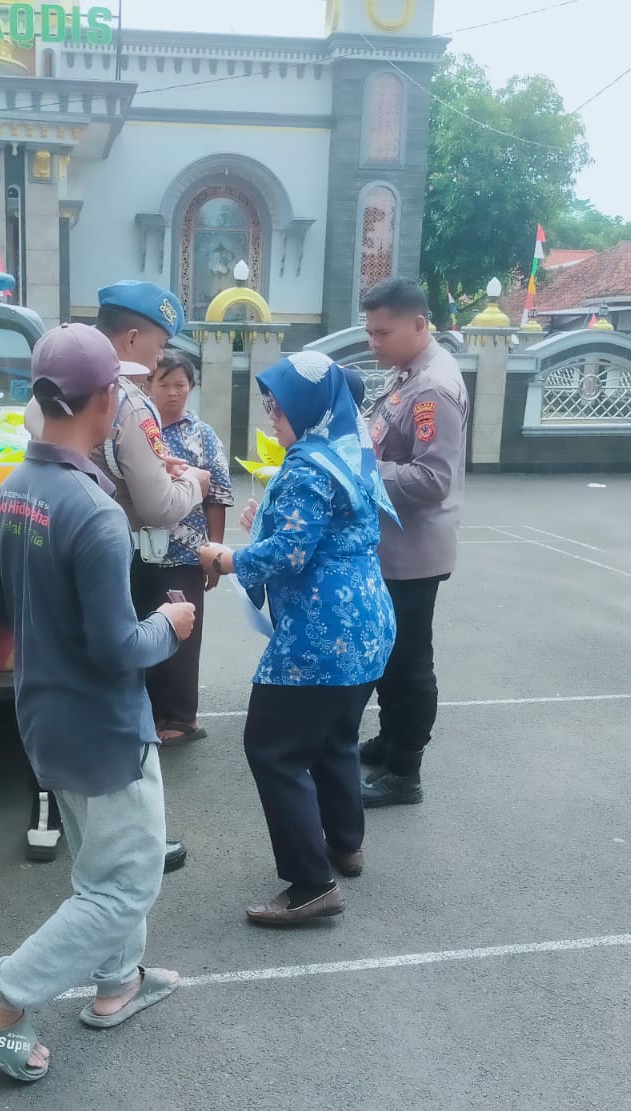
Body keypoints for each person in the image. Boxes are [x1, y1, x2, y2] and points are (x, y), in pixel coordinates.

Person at [0, 323, 194, 1082]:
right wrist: (171, 625)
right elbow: (119, 647)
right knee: (125, 885)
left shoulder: (14, 489)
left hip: (45, 717)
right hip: (106, 728)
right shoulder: (95, 512)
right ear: (106, 399)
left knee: (100, 866)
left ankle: (118, 984)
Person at [197, 351, 397, 927]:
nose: (272, 414)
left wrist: (225, 558)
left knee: (274, 749)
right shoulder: (347, 451)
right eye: (268, 403)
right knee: (335, 737)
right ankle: (345, 843)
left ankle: (311, 885)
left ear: (309, 404)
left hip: (321, 635)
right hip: (366, 626)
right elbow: (325, 529)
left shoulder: (310, 466)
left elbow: (288, 554)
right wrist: (266, 521)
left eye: (279, 404)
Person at [25, 281, 208, 872]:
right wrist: (193, 483)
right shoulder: (125, 397)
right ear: (131, 338)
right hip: (107, 546)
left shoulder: (44, 390)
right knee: (118, 697)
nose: (158, 362)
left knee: (58, 685)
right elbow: (157, 505)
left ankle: (59, 819)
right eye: (157, 346)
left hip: (46, 547)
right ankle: (132, 843)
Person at [356, 278, 468, 809]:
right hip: (393, 546)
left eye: (383, 332)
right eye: (370, 331)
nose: (373, 342)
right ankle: (390, 740)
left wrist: (360, 470)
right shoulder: (408, 374)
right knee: (389, 653)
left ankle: (405, 771)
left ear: (419, 324)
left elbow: (432, 479)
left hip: (412, 554)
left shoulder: (431, 389)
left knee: (407, 663)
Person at [130, 351, 233, 746]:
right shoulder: (136, 427)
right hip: (134, 549)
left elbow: (218, 493)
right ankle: (143, 711)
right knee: (138, 626)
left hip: (185, 554)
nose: (173, 393)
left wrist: (215, 553)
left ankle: (179, 717)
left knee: (182, 631)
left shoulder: (201, 434)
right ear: (148, 385)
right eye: (164, 384)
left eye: (181, 385)